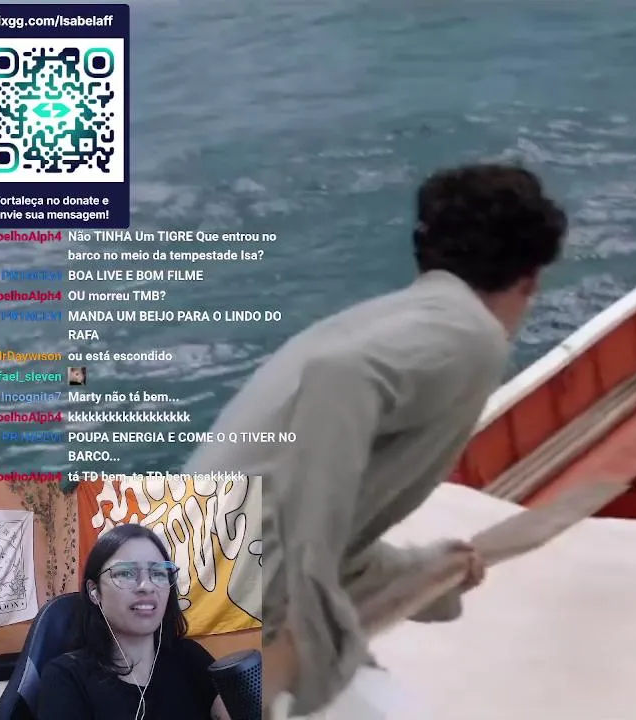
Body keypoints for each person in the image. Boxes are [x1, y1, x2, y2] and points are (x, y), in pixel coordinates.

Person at [181, 162, 568, 717]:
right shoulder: (471, 336)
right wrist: (310, 612)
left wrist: (427, 570)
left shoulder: (390, 320)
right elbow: (342, 379)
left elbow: (302, 509)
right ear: (529, 280)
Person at [36, 523, 232, 720]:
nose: (147, 586)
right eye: (126, 573)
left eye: (158, 573)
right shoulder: (66, 677)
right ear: (94, 591)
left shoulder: (189, 657)